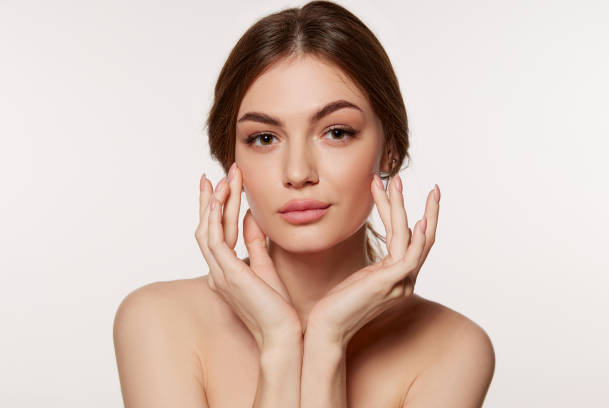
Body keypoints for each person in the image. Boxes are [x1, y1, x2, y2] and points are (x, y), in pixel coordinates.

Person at [113, 1, 495, 407]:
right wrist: (279, 344)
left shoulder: (453, 348)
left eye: (336, 132)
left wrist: (327, 342)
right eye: (264, 138)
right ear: (232, 160)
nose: (297, 172)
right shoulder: (157, 321)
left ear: (391, 150)